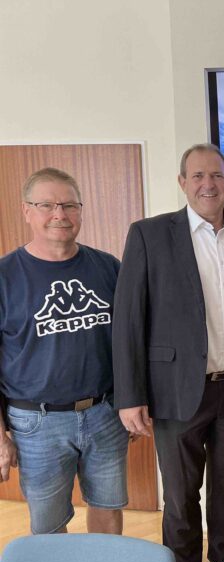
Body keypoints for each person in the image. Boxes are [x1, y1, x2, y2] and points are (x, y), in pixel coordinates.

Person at [112, 144, 224, 562]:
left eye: (217, 176)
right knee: (182, 499)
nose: (209, 184)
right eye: (199, 176)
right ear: (183, 182)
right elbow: (129, 319)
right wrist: (130, 396)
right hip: (176, 391)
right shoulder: (149, 234)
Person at [0, 167, 128, 535]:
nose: (60, 214)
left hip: (105, 413)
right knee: (48, 526)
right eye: (47, 205)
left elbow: (130, 342)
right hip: (36, 423)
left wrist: (130, 402)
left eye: (69, 205)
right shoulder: (6, 276)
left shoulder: (108, 267)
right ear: (27, 211)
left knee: (108, 509)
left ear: (81, 211)